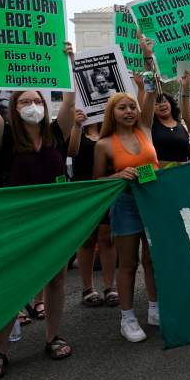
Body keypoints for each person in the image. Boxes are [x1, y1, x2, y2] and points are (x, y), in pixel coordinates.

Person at [0, 42, 77, 378]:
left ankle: (53, 336)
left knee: (57, 280)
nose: (32, 105)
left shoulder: (56, 134)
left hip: (54, 219)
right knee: (13, 285)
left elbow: (72, 100)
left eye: (36, 101)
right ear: (14, 108)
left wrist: (69, 64)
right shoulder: (5, 136)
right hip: (17, 222)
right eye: (24, 101)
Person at [94, 39, 162, 343]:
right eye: (122, 107)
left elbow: (151, 88)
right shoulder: (104, 145)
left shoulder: (145, 128)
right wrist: (117, 175)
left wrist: (149, 59)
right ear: (112, 112)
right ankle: (127, 317)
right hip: (125, 205)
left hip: (153, 201)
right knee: (129, 263)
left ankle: (154, 308)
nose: (130, 111)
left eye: (132, 106)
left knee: (152, 260)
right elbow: (96, 183)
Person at [68, 109, 118, 308]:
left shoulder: (110, 133)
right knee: (87, 240)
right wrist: (77, 125)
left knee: (107, 238)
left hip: (106, 189)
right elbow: (71, 151)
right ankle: (88, 288)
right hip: (84, 192)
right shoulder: (77, 130)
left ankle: (110, 286)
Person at [148, 90, 190, 165]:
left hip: (184, 172)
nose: (161, 105)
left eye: (164, 101)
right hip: (162, 173)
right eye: (156, 104)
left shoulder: (182, 126)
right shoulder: (149, 127)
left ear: (171, 103)